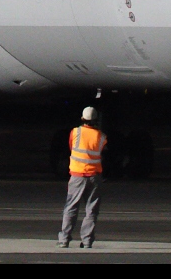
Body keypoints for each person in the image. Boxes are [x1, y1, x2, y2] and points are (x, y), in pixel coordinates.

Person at [57, 106, 107, 249]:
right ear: (96, 120)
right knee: (91, 210)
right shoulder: (101, 136)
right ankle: (87, 241)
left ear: (82, 119)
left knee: (71, 208)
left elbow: (71, 146)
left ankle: (64, 240)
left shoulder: (76, 132)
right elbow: (103, 151)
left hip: (77, 175)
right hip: (94, 176)